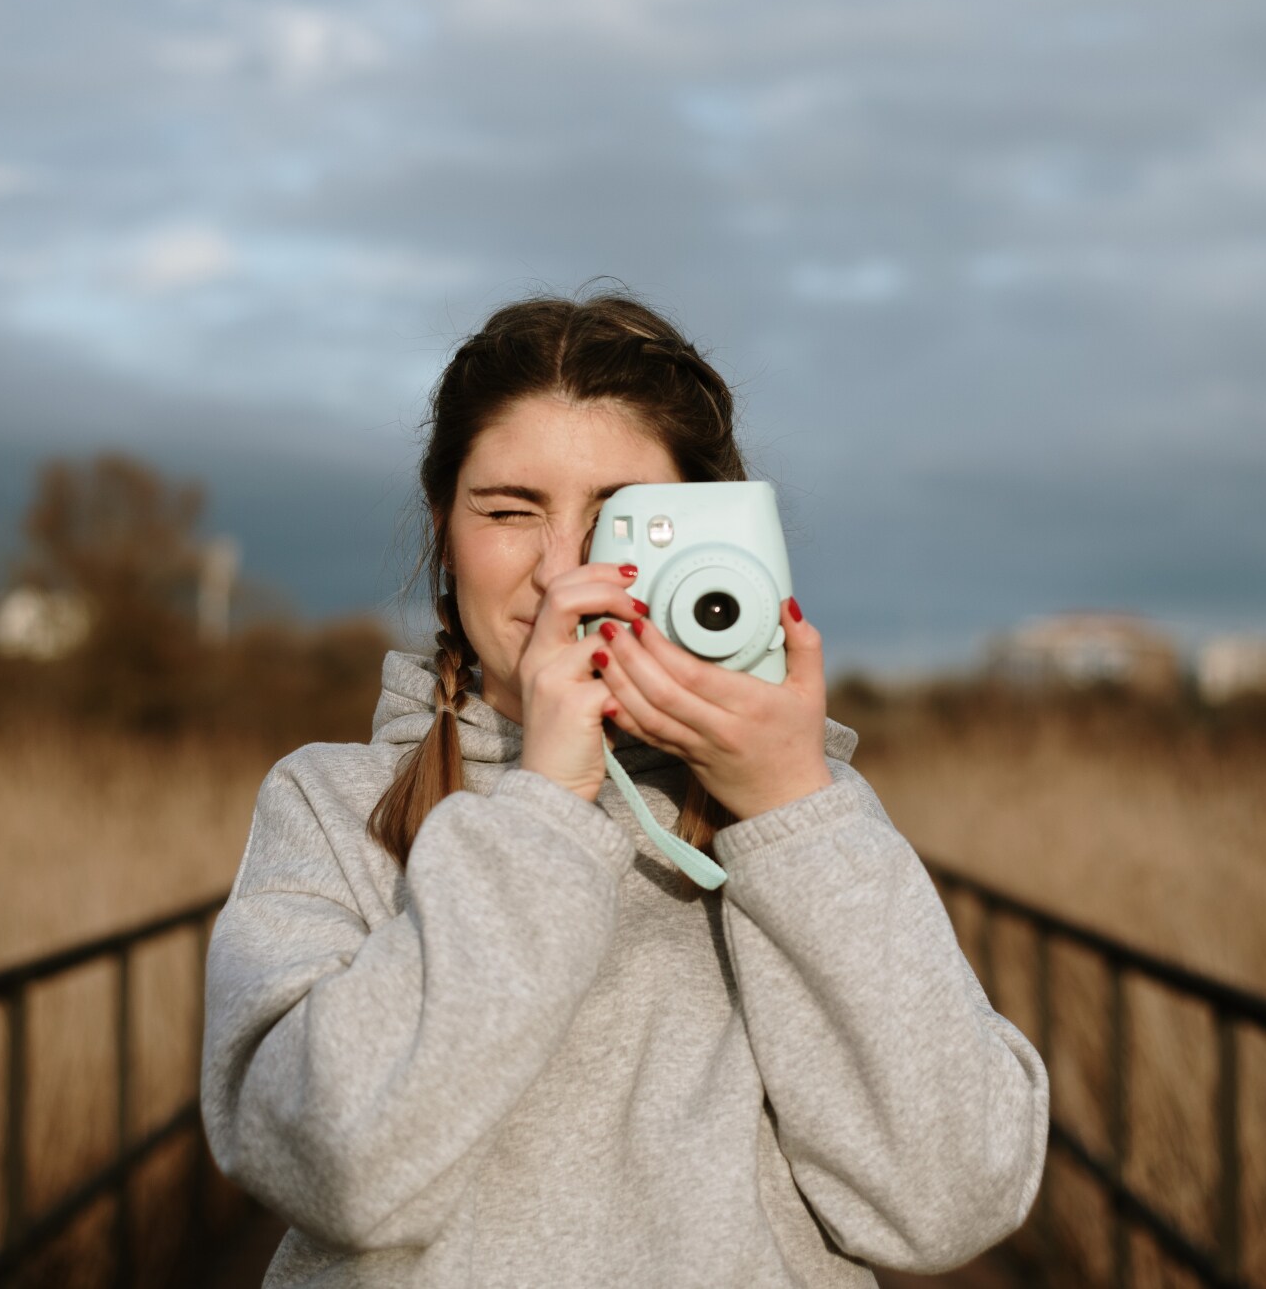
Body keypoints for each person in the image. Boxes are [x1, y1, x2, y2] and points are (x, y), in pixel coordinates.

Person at [199, 290, 1049, 1287]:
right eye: (509, 511)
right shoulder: (329, 805)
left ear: (712, 531)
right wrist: (547, 806)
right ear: (444, 532)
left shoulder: (797, 815)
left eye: (620, 521)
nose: (561, 570)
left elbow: (953, 1200)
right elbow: (330, 1168)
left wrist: (792, 809)